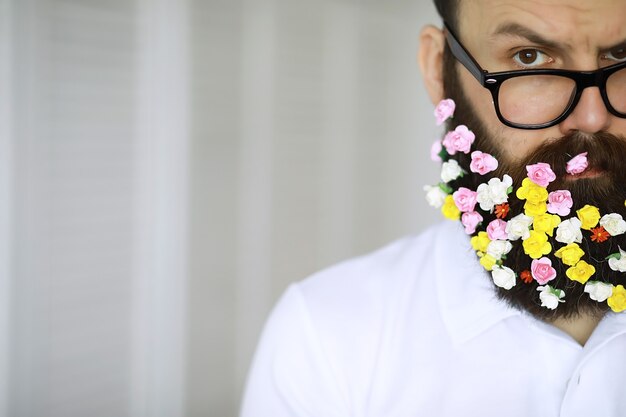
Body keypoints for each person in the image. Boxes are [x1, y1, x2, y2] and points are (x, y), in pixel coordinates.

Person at [241, 0, 626, 415]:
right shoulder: (327, 335)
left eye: (621, 55)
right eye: (528, 58)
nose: (591, 116)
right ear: (438, 67)